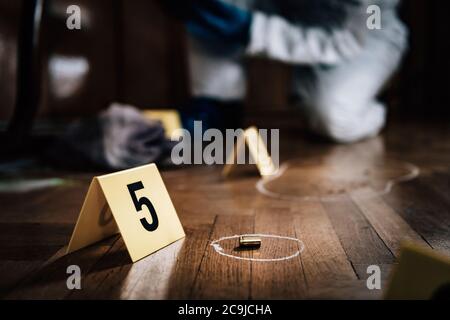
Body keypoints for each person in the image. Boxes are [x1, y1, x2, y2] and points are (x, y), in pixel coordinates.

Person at [165, 0, 408, 143]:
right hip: (294, 16)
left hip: (367, 34)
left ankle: (376, 114)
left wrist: (251, 30)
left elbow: (352, 41)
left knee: (333, 118)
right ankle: (217, 106)